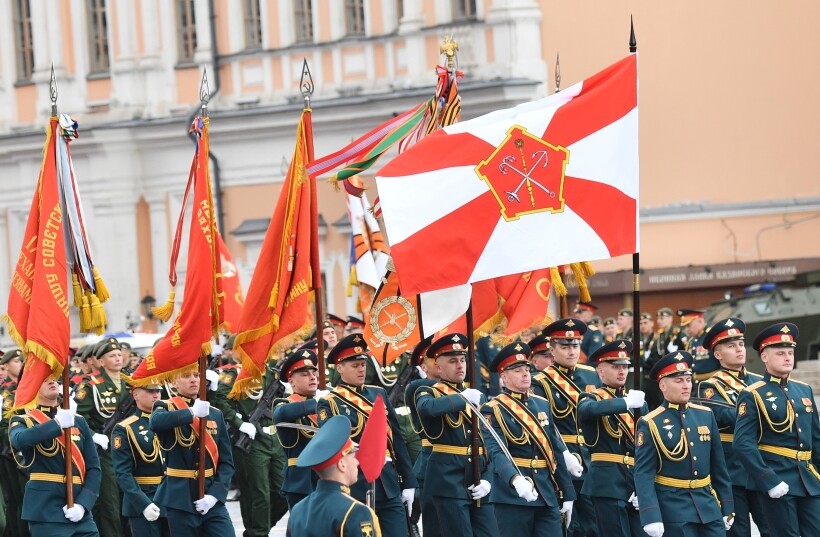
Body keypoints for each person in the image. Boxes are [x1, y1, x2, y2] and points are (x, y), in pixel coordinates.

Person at [317, 334, 418, 537]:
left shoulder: (378, 394)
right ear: (339, 368)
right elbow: (333, 446)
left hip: (388, 482)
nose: (361, 369)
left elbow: (396, 440)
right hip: (356, 485)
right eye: (355, 365)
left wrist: (408, 482)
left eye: (363, 364)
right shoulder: (330, 402)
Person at [733, 322, 820, 536]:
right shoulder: (753, 394)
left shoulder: (803, 389)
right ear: (765, 357)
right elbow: (743, 444)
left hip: (808, 479)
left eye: (790, 352)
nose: (788, 357)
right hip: (778, 479)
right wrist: (767, 480)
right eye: (780, 353)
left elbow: (816, 439)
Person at [634, 351, 734, 537]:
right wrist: (650, 515)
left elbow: (719, 467)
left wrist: (727, 505)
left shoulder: (705, 415)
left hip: (708, 506)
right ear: (662, 385)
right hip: (674, 509)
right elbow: (643, 473)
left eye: (688, 380)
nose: (686, 386)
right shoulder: (650, 423)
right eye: (678, 381)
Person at [482, 342, 576, 536]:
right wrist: (515, 479)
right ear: (503, 376)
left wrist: (567, 491)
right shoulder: (493, 409)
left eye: (527, 369)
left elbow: (554, 448)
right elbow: (496, 452)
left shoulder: (541, 404)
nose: (526, 374)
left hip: (546, 492)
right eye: (517, 370)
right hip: (512, 495)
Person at [413, 333, 498, 537]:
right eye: (453, 361)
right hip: (448, 481)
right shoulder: (427, 391)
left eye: (462, 360)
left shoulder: (476, 395)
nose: (460, 365)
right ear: (439, 367)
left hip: (478, 475)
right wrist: (462, 398)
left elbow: (489, 441)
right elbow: (427, 409)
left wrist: (488, 480)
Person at [695, 318, 770, 537]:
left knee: (771, 526)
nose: (739, 349)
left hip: (761, 464)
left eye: (740, 344)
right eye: (731, 346)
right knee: (738, 531)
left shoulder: (760, 381)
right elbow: (723, 416)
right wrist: (760, 412)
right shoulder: (710, 385)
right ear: (718, 355)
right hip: (732, 468)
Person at [529, 318, 597, 537]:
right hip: (562, 459)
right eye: (565, 346)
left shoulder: (592, 374)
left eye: (575, 345)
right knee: (570, 525)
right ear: (552, 349)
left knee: (596, 524)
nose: (571, 351)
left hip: (592, 457)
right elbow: (545, 425)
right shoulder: (540, 381)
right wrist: (565, 454)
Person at [9, 376, 101, 537]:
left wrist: (83, 504)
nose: (52, 382)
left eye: (54, 378)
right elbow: (19, 440)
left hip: (80, 512)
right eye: (44, 379)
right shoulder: (24, 421)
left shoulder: (78, 421)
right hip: (46, 511)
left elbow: (94, 468)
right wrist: (57, 424)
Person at [149, 366, 234, 536]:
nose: (194, 379)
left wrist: (215, 496)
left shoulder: (215, 414)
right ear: (174, 383)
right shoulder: (165, 407)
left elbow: (226, 462)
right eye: (187, 376)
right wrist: (192, 412)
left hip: (210, 496)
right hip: (180, 498)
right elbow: (156, 423)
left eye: (197, 375)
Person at [211, 351, 289, 536]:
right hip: (252, 439)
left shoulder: (273, 372)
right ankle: (259, 532)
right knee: (258, 492)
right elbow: (219, 399)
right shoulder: (235, 374)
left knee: (283, 492)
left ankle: (256, 531)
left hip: (274, 438)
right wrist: (239, 423)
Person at [577, 340, 647, 537]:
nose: (622, 371)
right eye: (615, 367)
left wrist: (644, 486)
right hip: (607, 484)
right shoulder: (591, 398)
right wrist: (625, 402)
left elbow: (646, 445)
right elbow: (588, 410)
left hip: (635, 482)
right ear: (600, 372)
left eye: (625, 367)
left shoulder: (638, 403)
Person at [286, 415, 381, 536]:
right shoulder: (356, 511)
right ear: (342, 464)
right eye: (353, 457)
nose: (357, 462)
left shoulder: (298, 510)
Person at [74, 337, 129, 537]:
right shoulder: (91, 385)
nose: (117, 358)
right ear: (100, 361)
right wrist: (94, 435)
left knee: (130, 500)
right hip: (106, 451)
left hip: (130, 448)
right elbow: (80, 418)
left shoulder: (131, 381)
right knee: (110, 504)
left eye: (118, 354)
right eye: (111, 355)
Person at [111, 384, 170, 537]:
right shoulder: (125, 428)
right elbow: (123, 473)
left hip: (171, 496)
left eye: (158, 391)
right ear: (136, 395)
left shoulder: (170, 422)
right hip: (144, 497)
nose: (156, 395)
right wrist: (142, 503)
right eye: (150, 391)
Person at [273, 347, 321, 509]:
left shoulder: (325, 405)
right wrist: (318, 403)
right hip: (301, 480)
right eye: (305, 374)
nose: (312, 377)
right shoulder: (284, 404)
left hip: (326, 477)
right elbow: (284, 413)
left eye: (313, 373)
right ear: (291, 381)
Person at [403, 337, 438, 537]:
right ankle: (411, 523)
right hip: (429, 454)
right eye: (434, 358)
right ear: (424, 366)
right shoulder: (417, 387)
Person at [0, 349, 28, 537]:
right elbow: (5, 426)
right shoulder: (9, 393)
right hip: (13, 454)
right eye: (17, 361)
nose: (19, 365)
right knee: (19, 501)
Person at [677, 309, 714, 382]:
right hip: (695, 385)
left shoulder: (711, 336)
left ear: (700, 321)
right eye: (685, 326)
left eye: (688, 325)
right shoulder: (691, 341)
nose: (686, 329)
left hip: (712, 384)